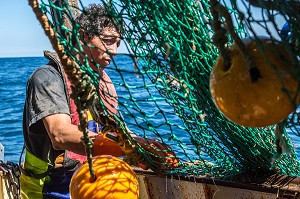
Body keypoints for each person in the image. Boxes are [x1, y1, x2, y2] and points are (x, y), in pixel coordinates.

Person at [20, 4, 177, 199]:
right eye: (109, 41)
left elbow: (114, 132)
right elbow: (60, 135)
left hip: (92, 183)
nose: (115, 51)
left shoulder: (105, 84)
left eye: (118, 43)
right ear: (84, 36)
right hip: (48, 189)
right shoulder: (48, 77)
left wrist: (144, 154)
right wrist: (134, 145)